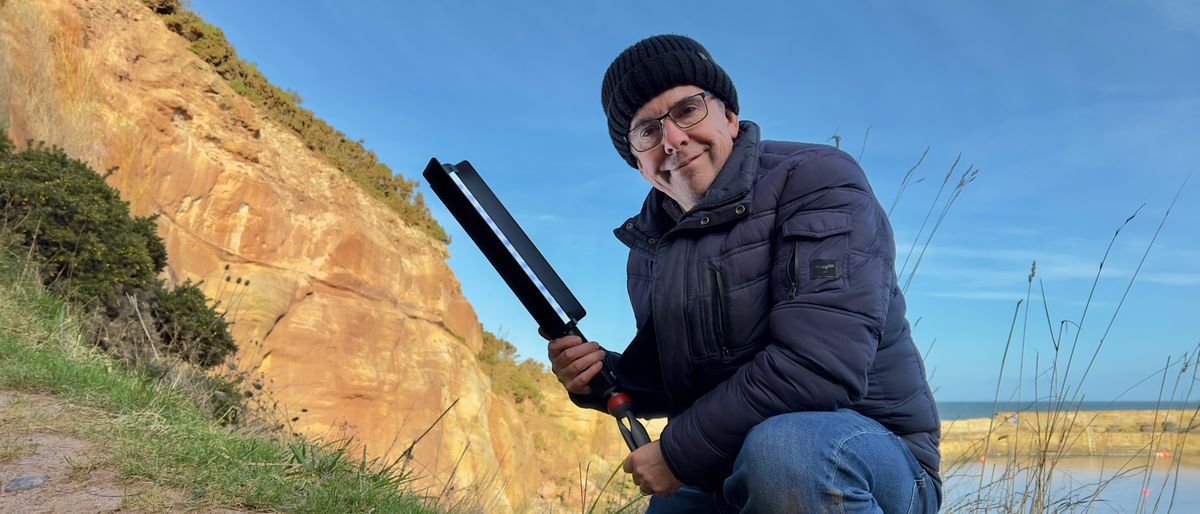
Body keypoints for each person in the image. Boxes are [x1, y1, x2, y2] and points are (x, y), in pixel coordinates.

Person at [547, 34, 941, 513]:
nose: (672, 140)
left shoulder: (817, 180)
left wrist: (675, 453)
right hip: (728, 462)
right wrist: (601, 378)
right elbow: (680, 386)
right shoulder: (649, 248)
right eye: (646, 131)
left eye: (687, 110)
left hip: (867, 452)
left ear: (729, 116)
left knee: (788, 451)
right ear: (637, 161)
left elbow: (819, 365)